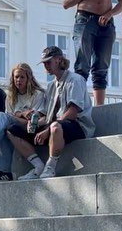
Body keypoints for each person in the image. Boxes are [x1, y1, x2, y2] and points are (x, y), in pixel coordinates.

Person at [8, 46, 94, 180]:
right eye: (44, 63)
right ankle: (38, 166)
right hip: (55, 125)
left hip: (78, 126)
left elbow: (72, 112)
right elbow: (45, 115)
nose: (46, 66)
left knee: (54, 127)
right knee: (12, 130)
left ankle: (51, 166)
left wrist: (47, 130)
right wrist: (34, 121)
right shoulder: (51, 86)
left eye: (48, 62)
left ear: (59, 60)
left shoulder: (75, 80)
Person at [0, 63, 46, 181]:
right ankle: (2, 172)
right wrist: (22, 114)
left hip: (32, 127)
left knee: (1, 116)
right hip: (14, 126)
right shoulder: (10, 97)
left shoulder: (37, 94)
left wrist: (19, 115)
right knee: (5, 129)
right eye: (16, 77)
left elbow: (35, 118)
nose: (18, 80)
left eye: (22, 77)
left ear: (29, 78)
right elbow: (10, 117)